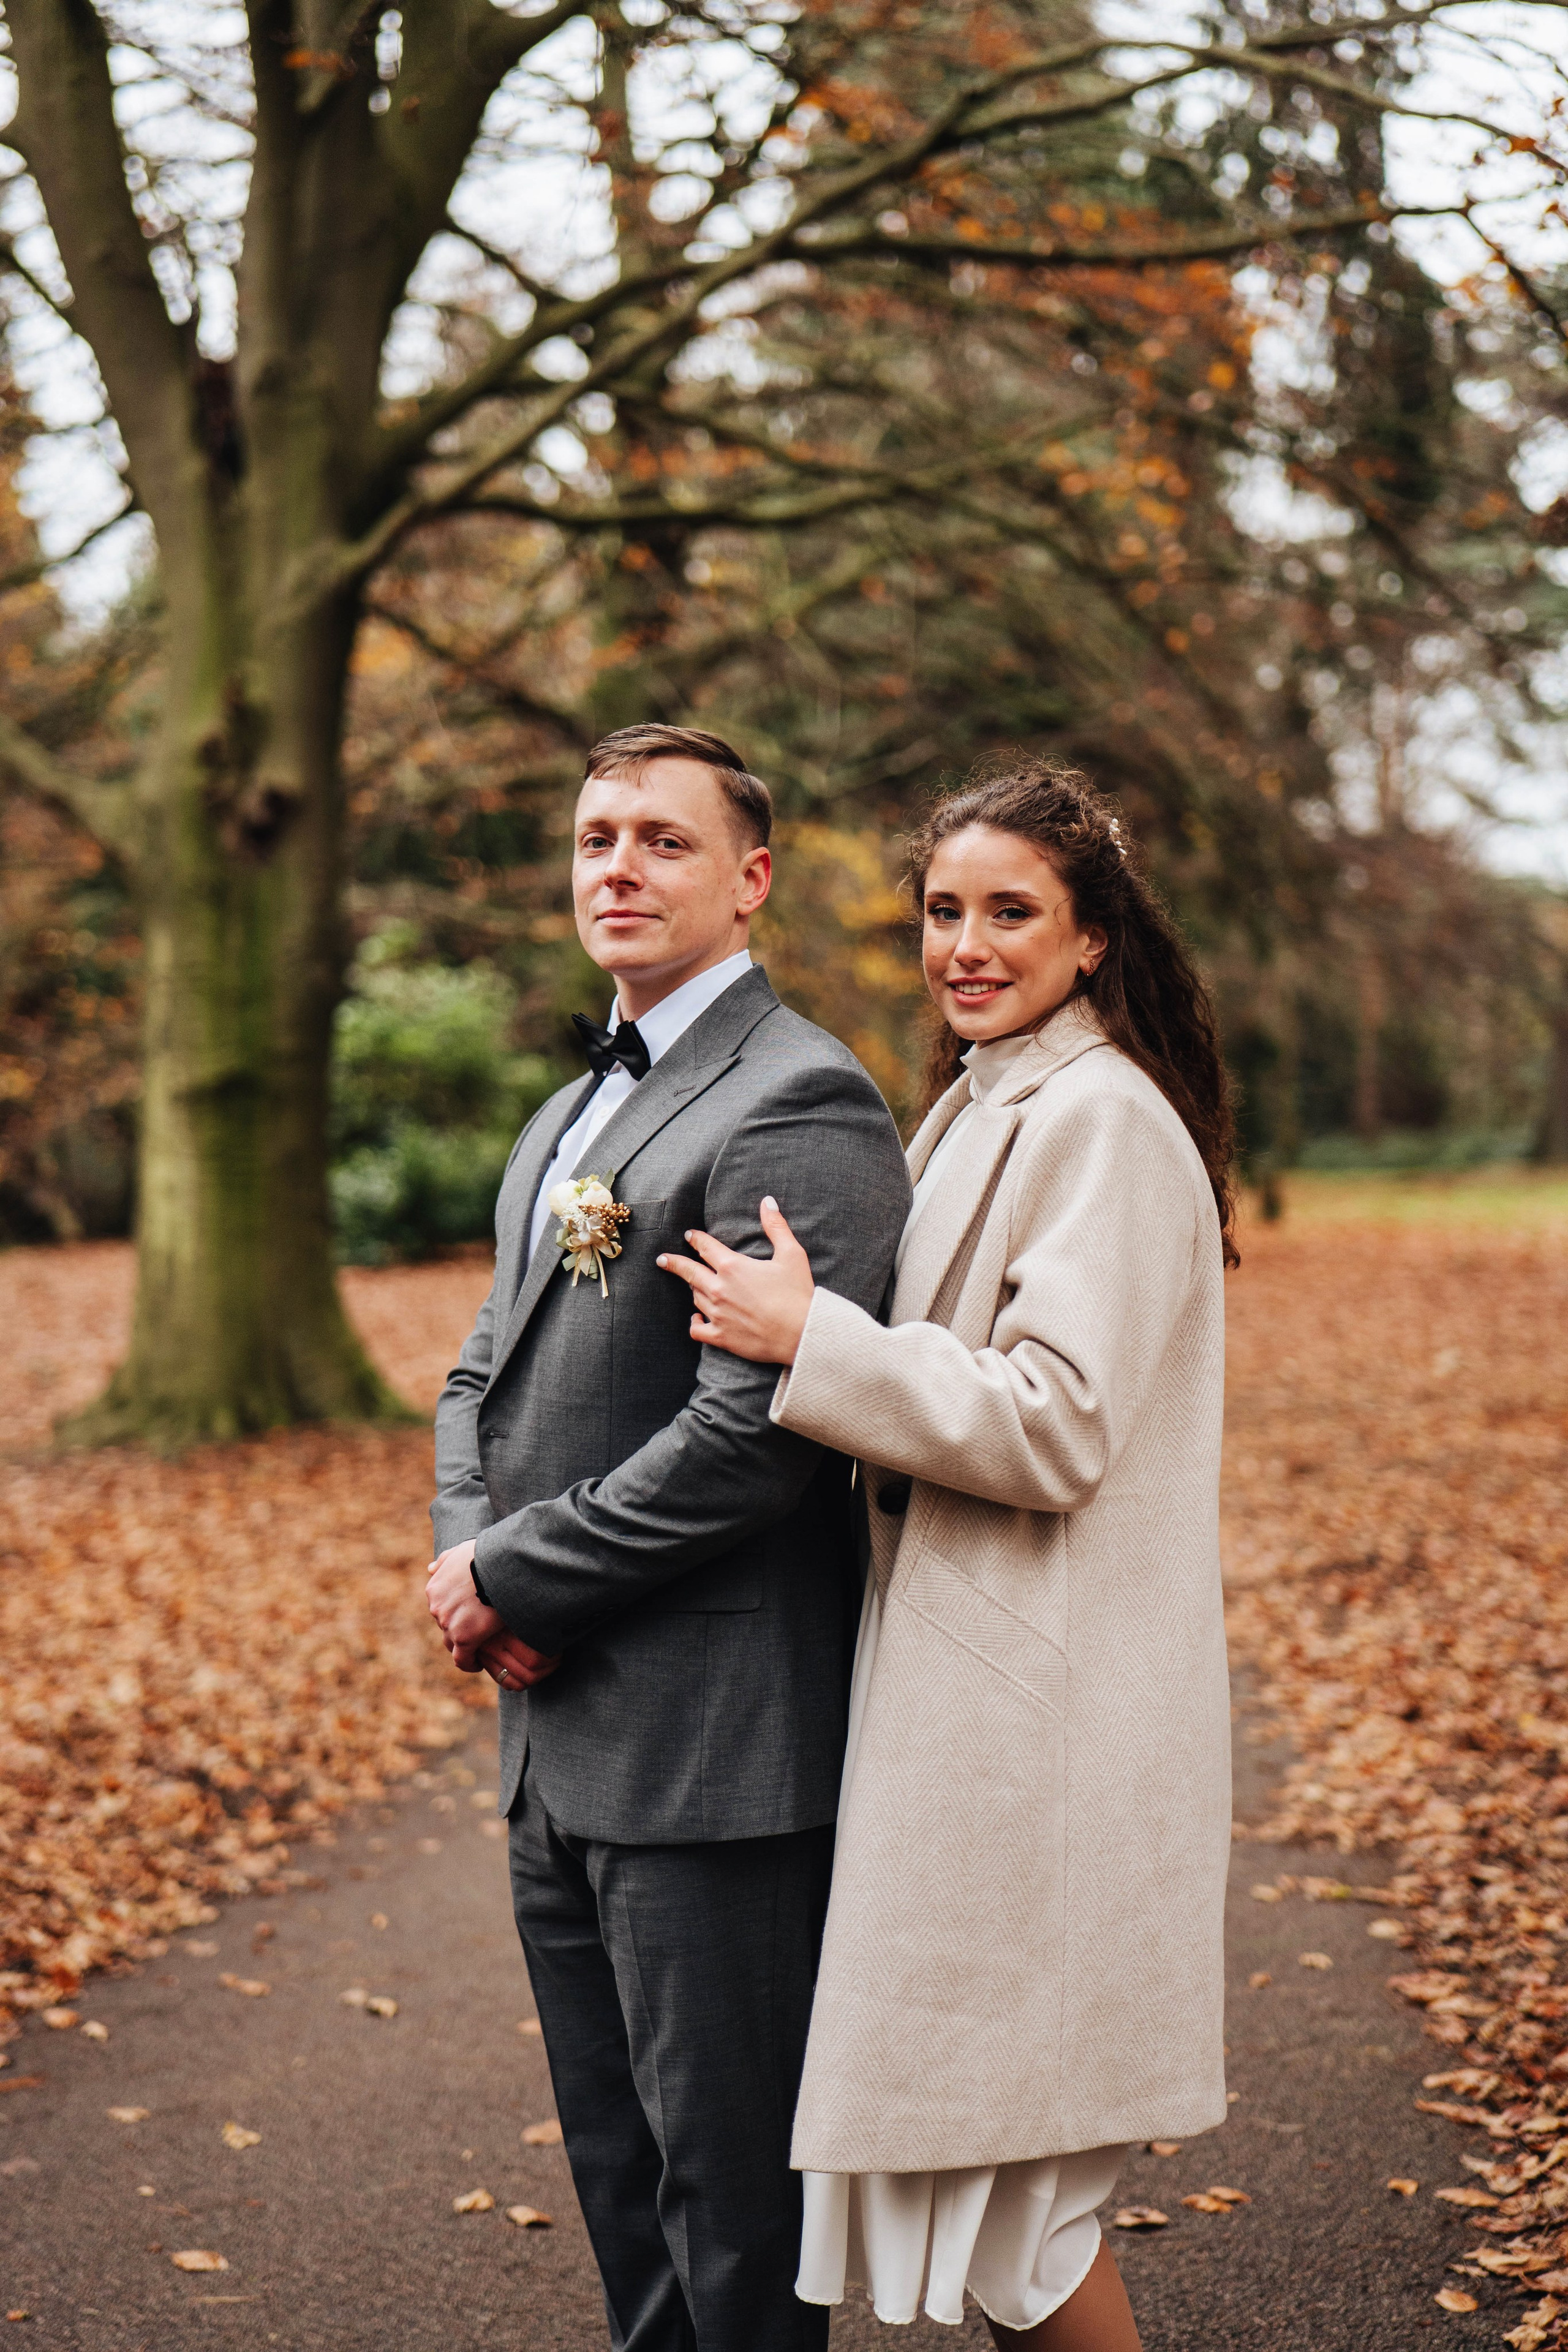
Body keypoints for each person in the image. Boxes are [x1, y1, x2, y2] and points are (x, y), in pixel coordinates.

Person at [660, 758, 1235, 2351]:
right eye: (941, 909)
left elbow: (1059, 1422)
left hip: (1045, 1729)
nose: (965, 944)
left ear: (1094, 936)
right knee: (993, 2215)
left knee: (1025, 2224)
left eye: (1011, 911)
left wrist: (813, 1341)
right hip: (977, 1712)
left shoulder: (1102, 1121)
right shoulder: (987, 1105)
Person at [425, 723, 910, 2352]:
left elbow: (757, 1438)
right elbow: (479, 1371)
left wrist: (519, 1575)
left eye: (662, 839)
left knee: (731, 2217)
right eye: (594, 839)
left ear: (753, 878)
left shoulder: (801, 1100)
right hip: (552, 1735)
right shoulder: (569, 1109)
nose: (616, 867)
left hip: (713, 1752)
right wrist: (473, 1576)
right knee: (620, 2191)